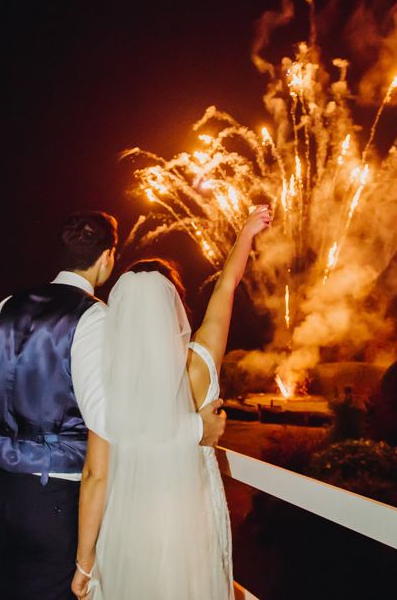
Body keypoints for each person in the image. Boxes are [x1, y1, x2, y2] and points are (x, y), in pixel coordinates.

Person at [0, 211, 225, 600]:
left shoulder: (9, 304)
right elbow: (114, 424)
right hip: (51, 499)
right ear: (107, 257)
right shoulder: (94, 318)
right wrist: (196, 429)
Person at [72, 204, 272, 599]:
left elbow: (95, 476)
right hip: (192, 519)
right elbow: (225, 288)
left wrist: (84, 561)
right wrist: (245, 235)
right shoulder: (201, 362)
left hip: (130, 522)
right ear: (175, 309)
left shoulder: (111, 387)